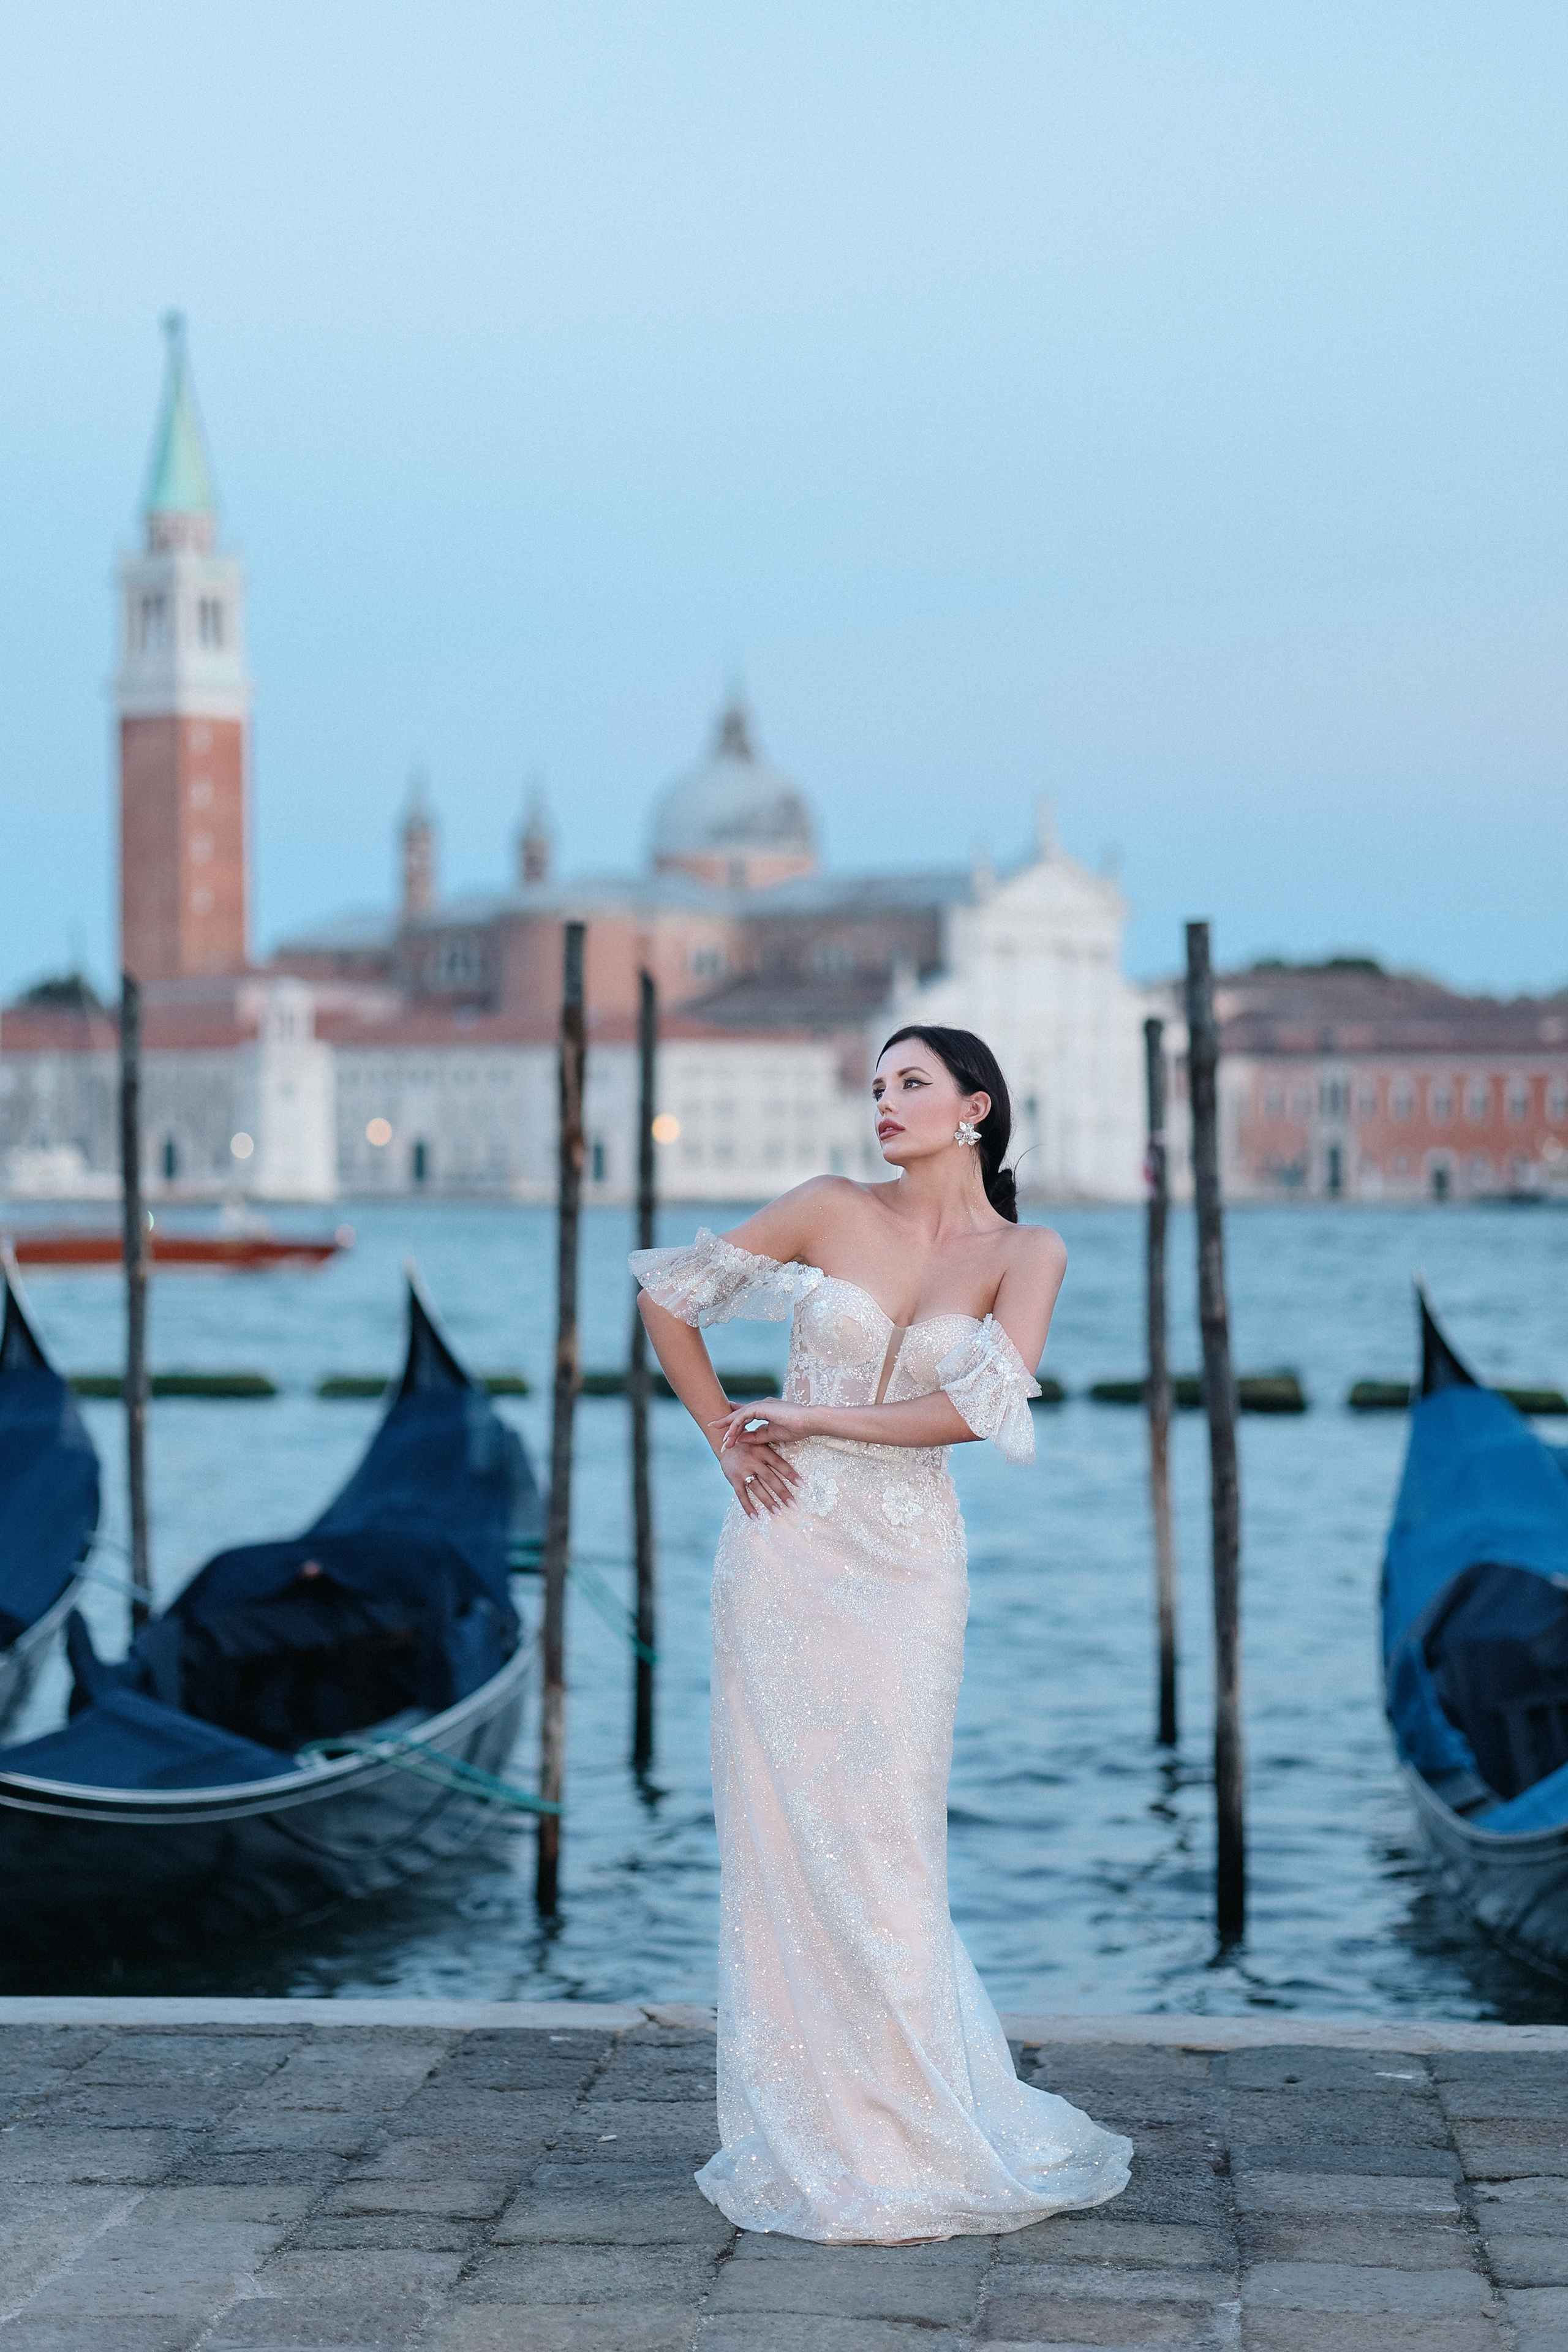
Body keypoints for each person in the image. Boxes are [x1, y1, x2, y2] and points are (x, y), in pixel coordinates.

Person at [631, 1023, 1132, 2244]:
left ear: (974, 1107)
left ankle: (915, 2114)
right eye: (874, 1086)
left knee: (888, 1834)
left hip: (907, 1567)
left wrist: (803, 1412)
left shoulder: (1029, 1250)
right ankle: (815, 2124)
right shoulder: (823, 1206)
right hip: (784, 1543)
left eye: (910, 1083)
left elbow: (973, 1407)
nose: (883, 1103)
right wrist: (722, 1439)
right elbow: (665, 1300)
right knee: (787, 1831)